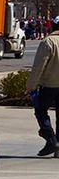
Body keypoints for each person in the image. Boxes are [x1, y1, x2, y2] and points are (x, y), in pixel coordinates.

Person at [25, 18, 59, 157]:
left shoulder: (48, 42)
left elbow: (39, 66)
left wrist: (31, 86)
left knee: (40, 110)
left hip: (49, 85)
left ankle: (51, 139)